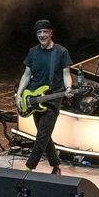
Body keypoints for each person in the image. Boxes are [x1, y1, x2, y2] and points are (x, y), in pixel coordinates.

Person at [16, 19, 73, 175]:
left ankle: (29, 168)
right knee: (45, 135)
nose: (42, 35)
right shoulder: (33, 52)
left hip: (52, 99)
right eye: (39, 32)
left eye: (45, 32)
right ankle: (56, 165)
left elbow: (66, 73)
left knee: (41, 136)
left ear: (51, 33)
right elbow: (27, 75)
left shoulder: (61, 52)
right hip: (33, 99)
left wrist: (68, 88)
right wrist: (19, 95)